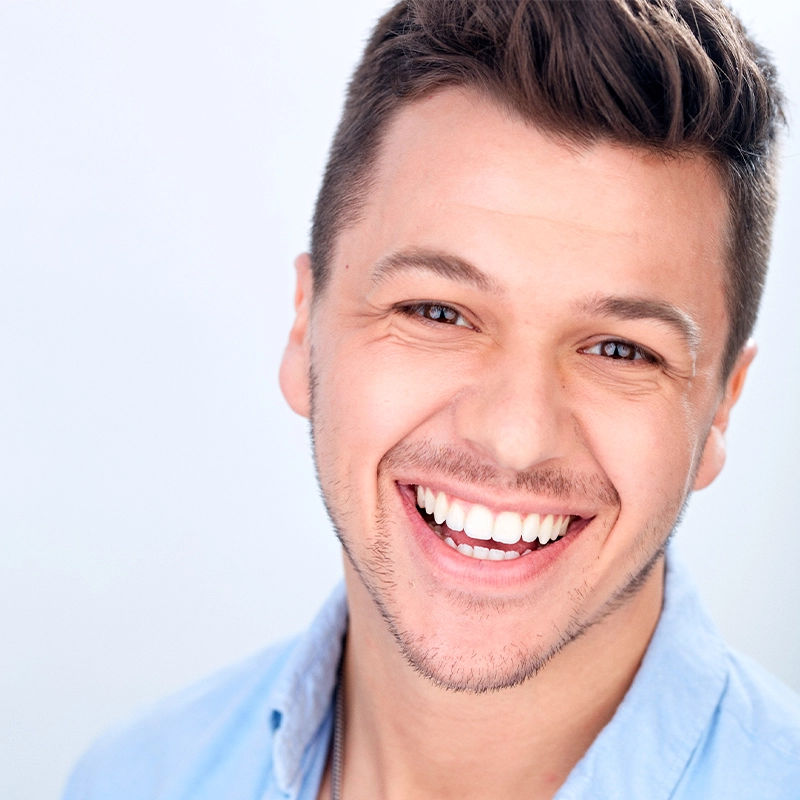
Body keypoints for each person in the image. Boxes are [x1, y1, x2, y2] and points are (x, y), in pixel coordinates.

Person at [63, 1, 800, 798]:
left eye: (621, 350)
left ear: (722, 406)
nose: (515, 436)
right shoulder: (136, 777)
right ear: (304, 326)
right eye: (437, 312)